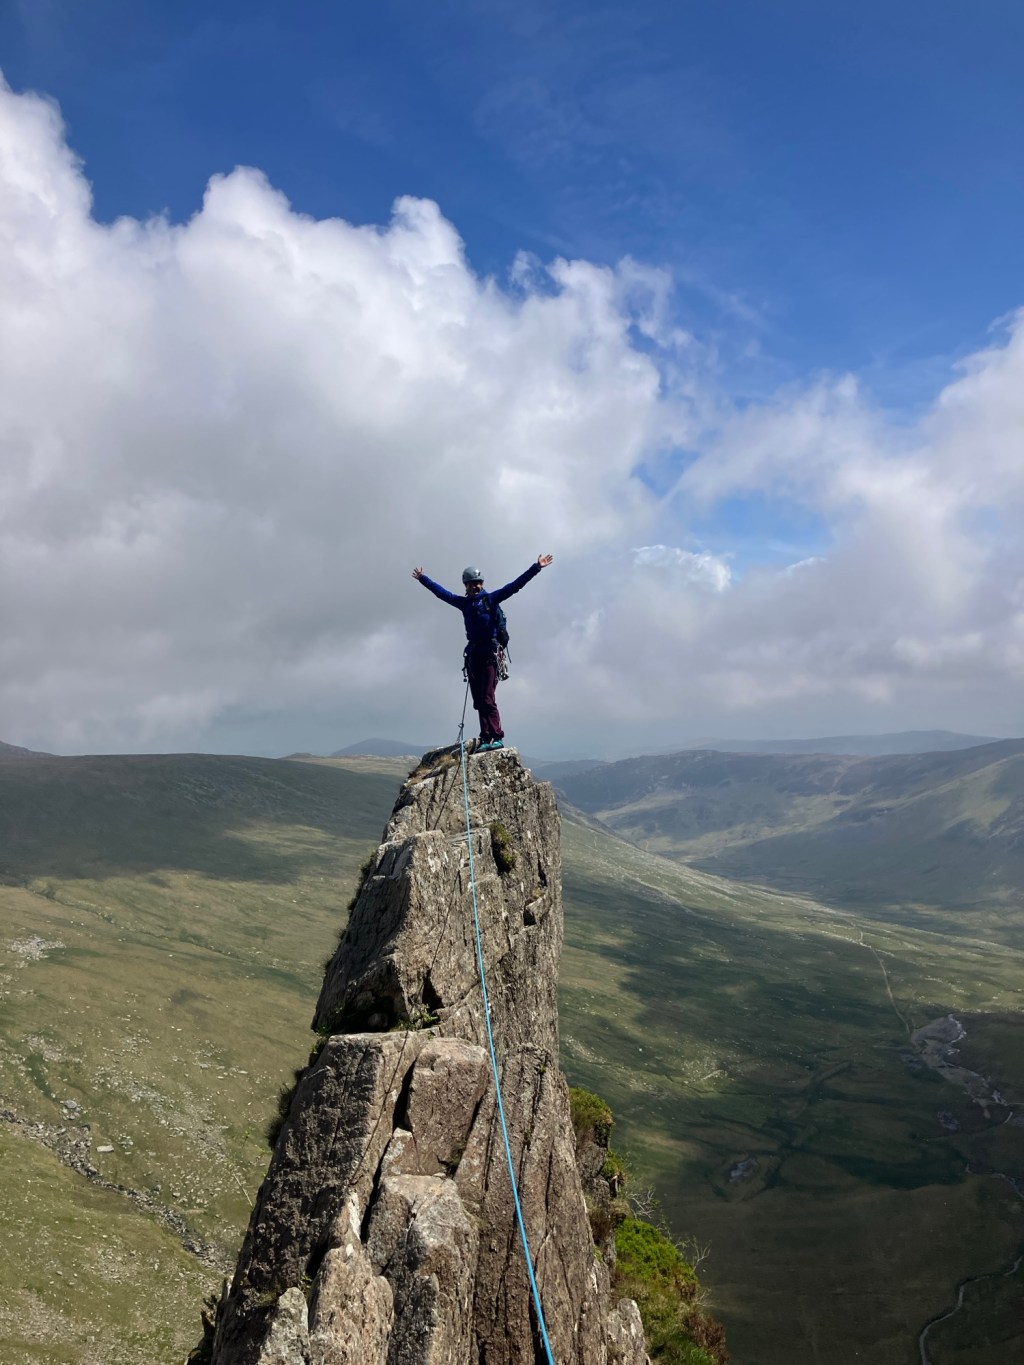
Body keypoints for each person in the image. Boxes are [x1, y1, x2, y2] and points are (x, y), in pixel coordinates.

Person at [412, 554, 554, 749]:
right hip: (474, 655)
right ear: (466, 586)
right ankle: (486, 737)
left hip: (490, 653)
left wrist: (536, 567)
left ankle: (497, 737)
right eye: (471, 584)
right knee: (478, 699)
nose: (475, 586)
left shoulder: (491, 599)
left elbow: (514, 586)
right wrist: (423, 579)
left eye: (477, 583)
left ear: (482, 583)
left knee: (487, 696)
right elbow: (442, 594)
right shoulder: (464, 604)